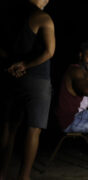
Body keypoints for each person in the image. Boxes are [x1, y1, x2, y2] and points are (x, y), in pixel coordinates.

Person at [0, 0, 55, 179]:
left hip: (11, 78)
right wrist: (25, 64)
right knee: (33, 129)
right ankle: (24, 177)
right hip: (37, 79)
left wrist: (11, 65)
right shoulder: (42, 17)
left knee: (9, 127)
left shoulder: (11, 16)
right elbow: (49, 51)